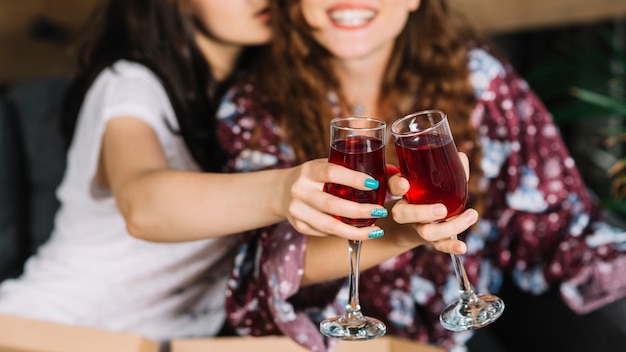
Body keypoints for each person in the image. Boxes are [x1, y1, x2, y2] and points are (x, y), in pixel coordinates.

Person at [0, 0, 475, 345]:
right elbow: (143, 206)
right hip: (48, 331)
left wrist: (400, 227)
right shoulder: (128, 83)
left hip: (172, 339)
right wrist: (285, 187)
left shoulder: (250, 100)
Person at [216, 0, 626, 351]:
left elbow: (556, 220)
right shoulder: (254, 108)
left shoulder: (477, 77)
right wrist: (398, 234)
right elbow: (270, 264)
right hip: (333, 338)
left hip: (463, 326)